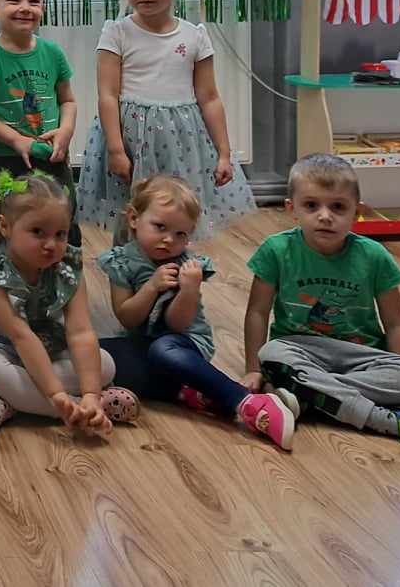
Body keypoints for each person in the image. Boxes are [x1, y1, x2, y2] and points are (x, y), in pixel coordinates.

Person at [242, 154, 400, 452]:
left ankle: (306, 395)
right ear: (291, 209)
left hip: (361, 356)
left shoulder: (374, 256)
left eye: (338, 207)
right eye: (311, 205)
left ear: (357, 212)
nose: (325, 216)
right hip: (299, 349)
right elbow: (257, 312)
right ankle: (383, 419)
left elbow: (396, 323)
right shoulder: (276, 250)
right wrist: (253, 369)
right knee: (271, 353)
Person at [98, 176, 293, 449]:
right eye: (160, 227)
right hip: (143, 344)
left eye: (181, 234)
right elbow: (127, 318)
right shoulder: (120, 262)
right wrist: (151, 287)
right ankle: (193, 392)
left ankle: (245, 401)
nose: (169, 240)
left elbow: (177, 325)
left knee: (163, 350)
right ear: (133, 218)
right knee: (93, 352)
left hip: (183, 345)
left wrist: (189, 289)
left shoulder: (187, 265)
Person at [75, 0, 254, 238]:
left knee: (175, 210)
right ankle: (126, 265)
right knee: (131, 210)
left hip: (181, 140)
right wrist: (116, 149)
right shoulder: (117, 33)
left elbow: (209, 98)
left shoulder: (195, 36)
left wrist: (224, 152)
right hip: (131, 139)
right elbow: (107, 95)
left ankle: (173, 263)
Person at [0, 171, 136, 434]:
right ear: (5, 226)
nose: (51, 244)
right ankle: (76, 409)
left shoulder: (67, 267)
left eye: (60, 234)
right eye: (38, 232)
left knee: (105, 364)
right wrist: (56, 394)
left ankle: (31, 403)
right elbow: (20, 336)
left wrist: (91, 393)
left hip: (44, 344)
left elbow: (81, 332)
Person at [0, 0, 81, 246]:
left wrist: (66, 130)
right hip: (9, 160)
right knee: (9, 229)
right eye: (13, 0)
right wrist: (16, 140)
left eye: (34, 1)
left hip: (53, 158)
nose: (25, 7)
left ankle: (65, 270)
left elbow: (68, 100)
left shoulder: (52, 52)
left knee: (63, 224)